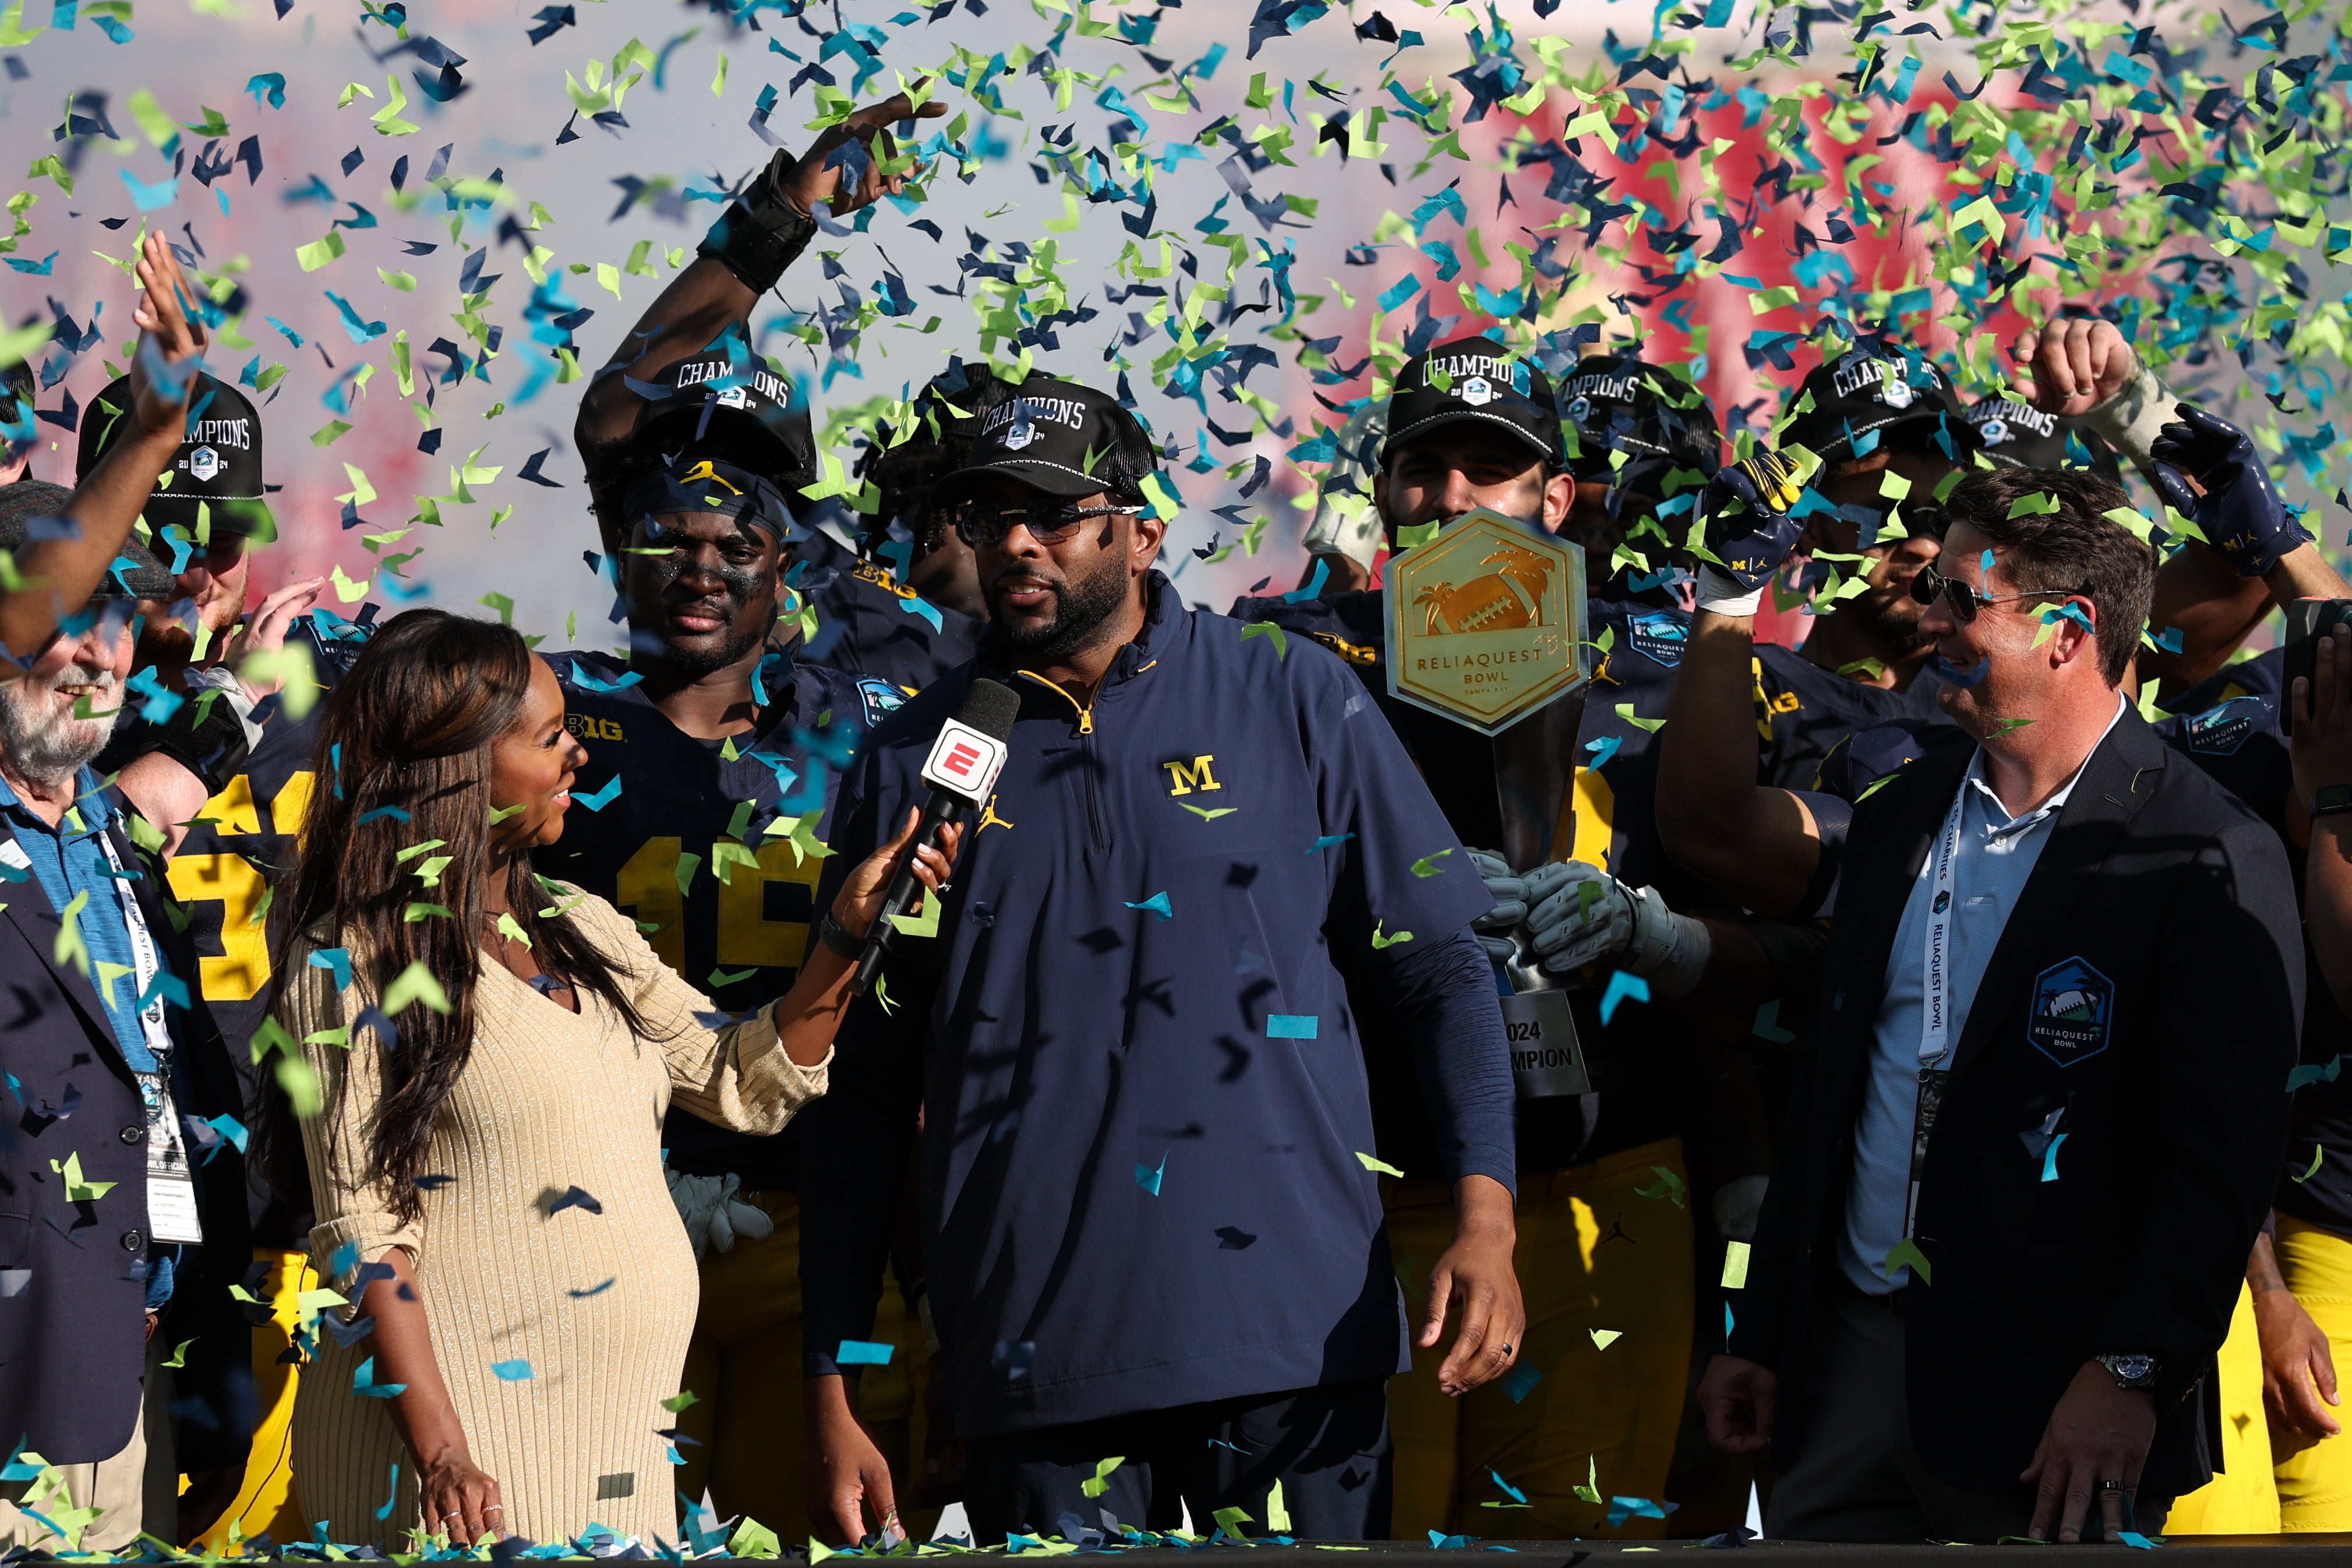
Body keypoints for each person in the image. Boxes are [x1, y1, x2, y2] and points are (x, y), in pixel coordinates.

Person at [800, 372, 1521, 1545]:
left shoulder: (1293, 692)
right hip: (1035, 1368)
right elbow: (863, 1092)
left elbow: (1439, 968)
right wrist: (833, 1379)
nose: (1018, 543)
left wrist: (1486, 1219)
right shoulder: (912, 761)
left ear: (1142, 534)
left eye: (1055, 514)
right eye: (990, 516)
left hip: (1294, 1344)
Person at [1233, 337, 1806, 1540]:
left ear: (1554, 498)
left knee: (1577, 1538)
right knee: (1363, 1536)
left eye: (1488, 471)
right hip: (1369, 1186)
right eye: (1423, 470)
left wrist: (1642, 929)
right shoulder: (1294, 661)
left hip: (1609, 1178)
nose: (1453, 498)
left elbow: (1763, 935)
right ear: (1384, 494)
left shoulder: (1665, 672)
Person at [1686, 465, 2304, 1542]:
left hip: (2054, 1399)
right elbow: (1835, 1090)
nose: (1927, 618)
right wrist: (1765, 1330)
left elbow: (2222, 1158)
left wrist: (2132, 1370)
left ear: (2067, 632)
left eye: (1959, 597)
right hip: (1845, 1370)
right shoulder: (1897, 817)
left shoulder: (2199, 847)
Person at [263, 609, 959, 1547]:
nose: (577, 757)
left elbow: (739, 1079)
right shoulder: (350, 960)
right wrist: (443, 1453)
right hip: (464, 1458)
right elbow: (364, 1234)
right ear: (461, 765)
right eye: (550, 738)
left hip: (620, 1440)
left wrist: (845, 933)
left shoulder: (581, 924)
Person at [548, 85, 959, 1543]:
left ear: (796, 559)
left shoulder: (867, 724)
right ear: (618, 542)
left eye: (739, 541)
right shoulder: (550, 720)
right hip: (596, 1223)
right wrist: (780, 217)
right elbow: (619, 410)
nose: (702, 566)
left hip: (810, 1228)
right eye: (667, 536)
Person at [0, 510, 252, 1552]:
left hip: (116, 1366)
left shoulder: (105, 838)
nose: (97, 652)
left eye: (114, 620)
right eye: (64, 614)